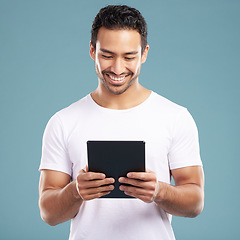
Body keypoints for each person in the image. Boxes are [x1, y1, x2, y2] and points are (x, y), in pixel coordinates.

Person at [39, 5, 204, 240]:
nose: (117, 68)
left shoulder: (175, 117)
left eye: (129, 57)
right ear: (92, 51)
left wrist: (159, 190)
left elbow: (195, 202)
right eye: (107, 55)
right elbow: (48, 212)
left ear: (144, 53)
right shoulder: (63, 122)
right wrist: (75, 191)